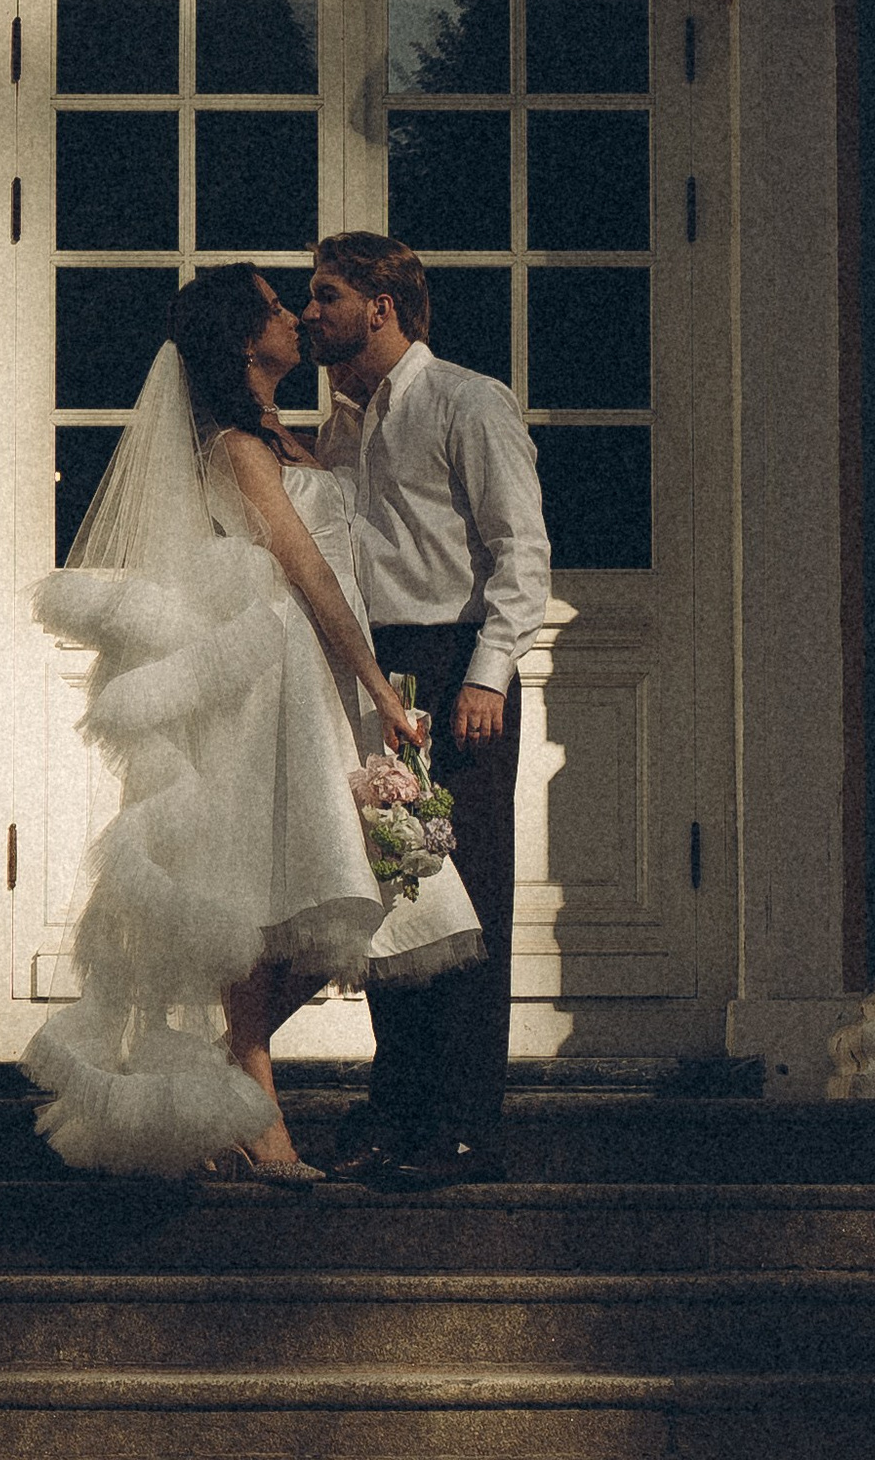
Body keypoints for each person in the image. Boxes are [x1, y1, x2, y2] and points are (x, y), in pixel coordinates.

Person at [25, 265, 473, 1180]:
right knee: (271, 893)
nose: (293, 320)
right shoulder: (234, 443)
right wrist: (386, 695)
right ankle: (255, 1102)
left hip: (309, 681)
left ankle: (227, 1074)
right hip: (272, 679)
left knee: (338, 889)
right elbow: (307, 572)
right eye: (274, 308)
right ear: (241, 340)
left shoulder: (285, 433)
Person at [304, 229, 551, 1185]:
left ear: (382, 304)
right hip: (379, 672)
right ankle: (396, 1112)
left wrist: (489, 671)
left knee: (469, 898)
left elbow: (520, 550)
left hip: (459, 666)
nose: (311, 312)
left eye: (327, 296)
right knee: (394, 903)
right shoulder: (343, 423)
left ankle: (463, 1127)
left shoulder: (467, 401)